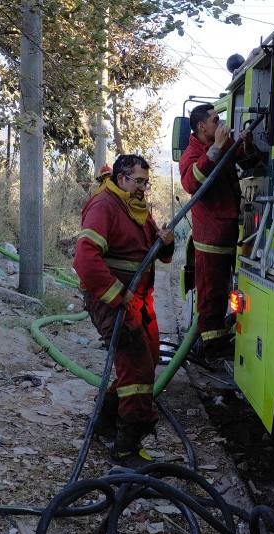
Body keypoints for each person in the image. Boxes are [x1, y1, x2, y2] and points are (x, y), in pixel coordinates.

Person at [73, 154, 175, 467]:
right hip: (111, 299)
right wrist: (119, 295)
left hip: (139, 301)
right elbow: (85, 260)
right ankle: (127, 447)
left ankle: (101, 424)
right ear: (121, 179)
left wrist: (167, 242)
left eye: (146, 181)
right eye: (138, 181)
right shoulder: (105, 206)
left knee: (149, 358)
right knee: (137, 366)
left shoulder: (137, 209)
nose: (143, 188)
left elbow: (159, 254)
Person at [178, 103, 245, 360]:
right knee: (211, 292)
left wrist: (243, 142)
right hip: (210, 236)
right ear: (201, 126)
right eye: (215, 120)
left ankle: (216, 339)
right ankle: (210, 346)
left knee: (225, 287)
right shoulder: (192, 153)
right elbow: (191, 182)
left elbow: (240, 156)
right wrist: (215, 149)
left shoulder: (221, 143)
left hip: (228, 230)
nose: (220, 123)